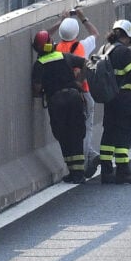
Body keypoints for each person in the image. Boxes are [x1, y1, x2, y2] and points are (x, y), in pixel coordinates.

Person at [48, 9, 100, 179]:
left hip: (61, 96)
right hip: (83, 92)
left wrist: (60, 21)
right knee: (85, 128)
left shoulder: (55, 47)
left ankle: (89, 156)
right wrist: (81, 16)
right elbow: (95, 33)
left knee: (71, 131)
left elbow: (44, 36)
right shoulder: (82, 46)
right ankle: (86, 161)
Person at [31, 30, 87, 184]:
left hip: (56, 101)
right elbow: (86, 63)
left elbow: (36, 89)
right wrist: (78, 82)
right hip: (74, 97)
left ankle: (72, 170)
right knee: (76, 133)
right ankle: (79, 172)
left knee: (63, 135)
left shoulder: (39, 65)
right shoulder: (64, 56)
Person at [99, 19, 131, 184]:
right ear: (127, 35)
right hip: (123, 99)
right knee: (124, 133)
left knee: (109, 132)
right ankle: (123, 170)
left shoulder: (104, 49)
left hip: (109, 99)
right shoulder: (124, 52)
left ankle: (106, 170)